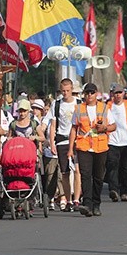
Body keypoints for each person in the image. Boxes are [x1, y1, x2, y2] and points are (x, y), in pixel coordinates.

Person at [68, 83, 116, 217]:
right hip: (84, 146)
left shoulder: (104, 108)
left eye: (92, 93)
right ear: (84, 94)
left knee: (98, 177)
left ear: (96, 93)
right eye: (87, 93)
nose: (89, 95)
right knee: (85, 175)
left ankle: (96, 204)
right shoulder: (78, 108)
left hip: (100, 147)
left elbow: (113, 126)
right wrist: (70, 149)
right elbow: (73, 129)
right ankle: (87, 204)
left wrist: (104, 128)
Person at [49, 78, 80, 212]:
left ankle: (77, 199)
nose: (65, 93)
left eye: (68, 91)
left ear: (72, 90)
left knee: (78, 171)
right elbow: (53, 125)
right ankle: (67, 200)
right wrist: (52, 142)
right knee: (65, 172)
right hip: (62, 140)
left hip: (77, 141)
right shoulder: (56, 104)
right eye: (63, 91)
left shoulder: (79, 104)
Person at [106, 83, 127, 203]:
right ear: (112, 94)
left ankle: (124, 191)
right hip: (112, 141)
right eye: (116, 93)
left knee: (125, 168)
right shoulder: (108, 106)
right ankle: (113, 190)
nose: (118, 95)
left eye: (120, 93)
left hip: (126, 141)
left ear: (124, 93)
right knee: (113, 166)